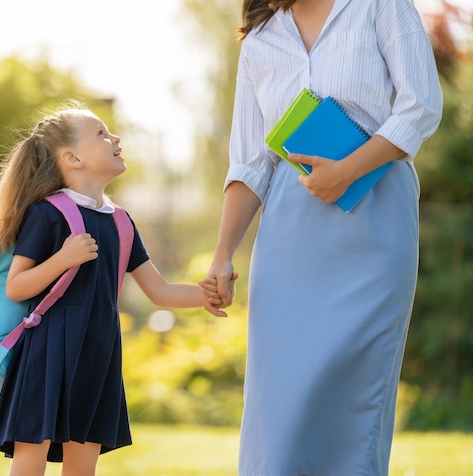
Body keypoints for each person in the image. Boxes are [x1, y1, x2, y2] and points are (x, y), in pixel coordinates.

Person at [204, 1, 443, 475]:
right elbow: (251, 162)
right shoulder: (260, 40)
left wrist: (347, 171)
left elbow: (419, 106)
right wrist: (223, 252)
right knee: (278, 404)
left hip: (377, 212)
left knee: (356, 397)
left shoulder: (382, 6)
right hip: (288, 234)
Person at [0, 102, 224, 476]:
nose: (115, 138)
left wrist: (208, 296)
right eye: (102, 134)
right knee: (30, 459)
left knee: (83, 463)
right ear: (72, 157)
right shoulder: (46, 213)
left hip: (98, 355)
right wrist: (62, 259)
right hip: (47, 352)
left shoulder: (120, 222)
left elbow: (160, 291)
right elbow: (17, 287)